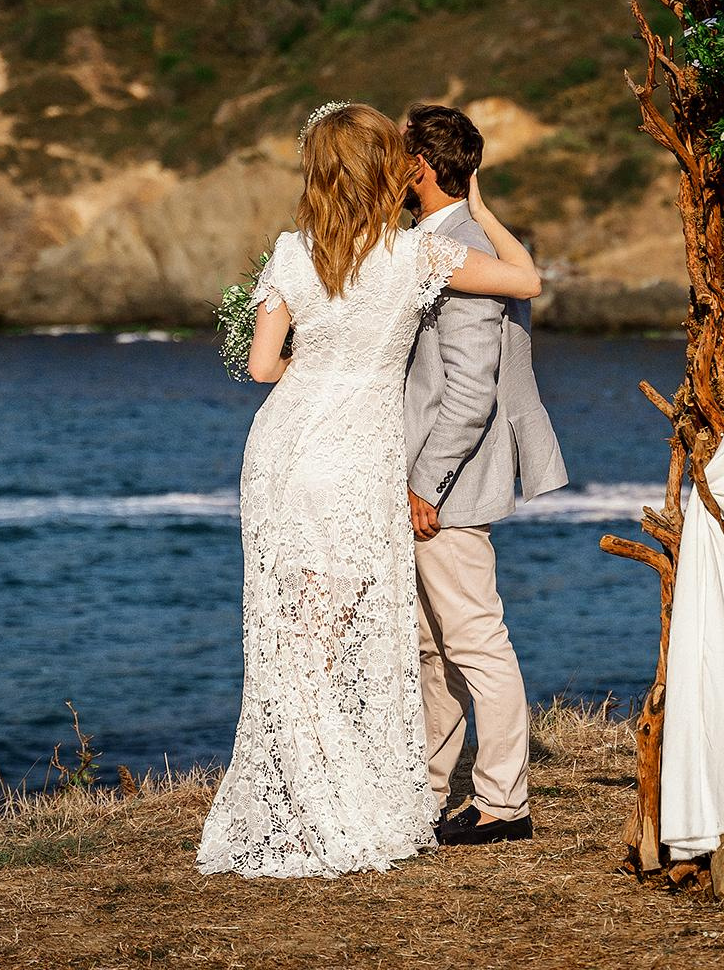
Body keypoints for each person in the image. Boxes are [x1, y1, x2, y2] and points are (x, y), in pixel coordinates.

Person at [196, 101, 543, 879]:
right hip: (357, 455)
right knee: (355, 633)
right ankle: (349, 800)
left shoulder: (292, 252)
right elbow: (525, 278)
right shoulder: (415, 256)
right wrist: (478, 202)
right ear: (384, 167)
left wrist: (319, 376)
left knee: (293, 638)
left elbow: (260, 369)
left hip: (286, 448)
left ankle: (306, 802)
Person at [401, 103, 567, 847]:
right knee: (433, 649)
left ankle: (504, 802)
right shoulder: (437, 239)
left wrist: (424, 484)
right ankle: (431, 791)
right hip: (427, 481)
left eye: (396, 154)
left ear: (420, 166)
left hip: (446, 488)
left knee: (475, 643)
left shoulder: (460, 248)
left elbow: (470, 390)